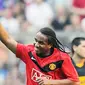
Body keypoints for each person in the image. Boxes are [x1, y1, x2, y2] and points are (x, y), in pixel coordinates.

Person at [0, 23, 80, 85]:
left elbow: (75, 81)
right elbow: (8, 40)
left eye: (41, 43)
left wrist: (50, 82)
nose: (36, 45)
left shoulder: (62, 57)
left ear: (50, 45)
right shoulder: (28, 52)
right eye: (36, 40)